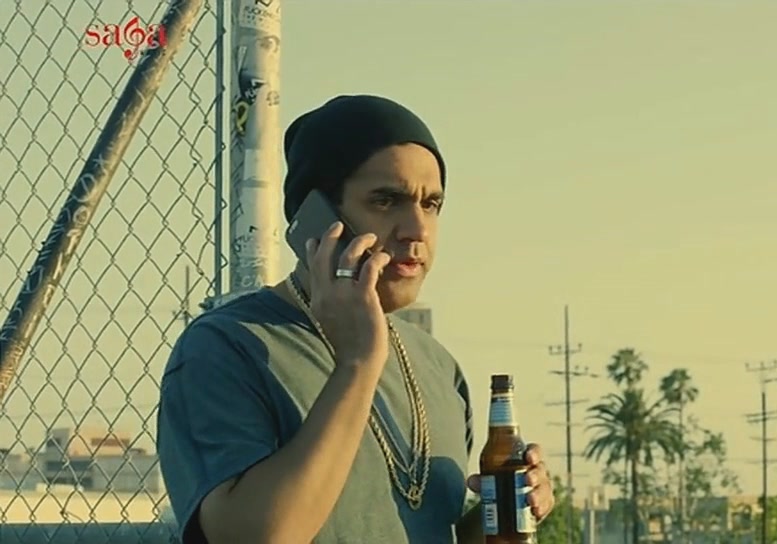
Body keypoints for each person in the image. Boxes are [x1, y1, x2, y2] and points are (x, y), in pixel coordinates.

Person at [156, 94, 556, 544]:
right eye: (387, 201)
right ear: (315, 216)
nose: (417, 230)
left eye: (431, 204)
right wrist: (357, 365)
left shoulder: (438, 366)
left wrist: (501, 514)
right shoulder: (226, 348)